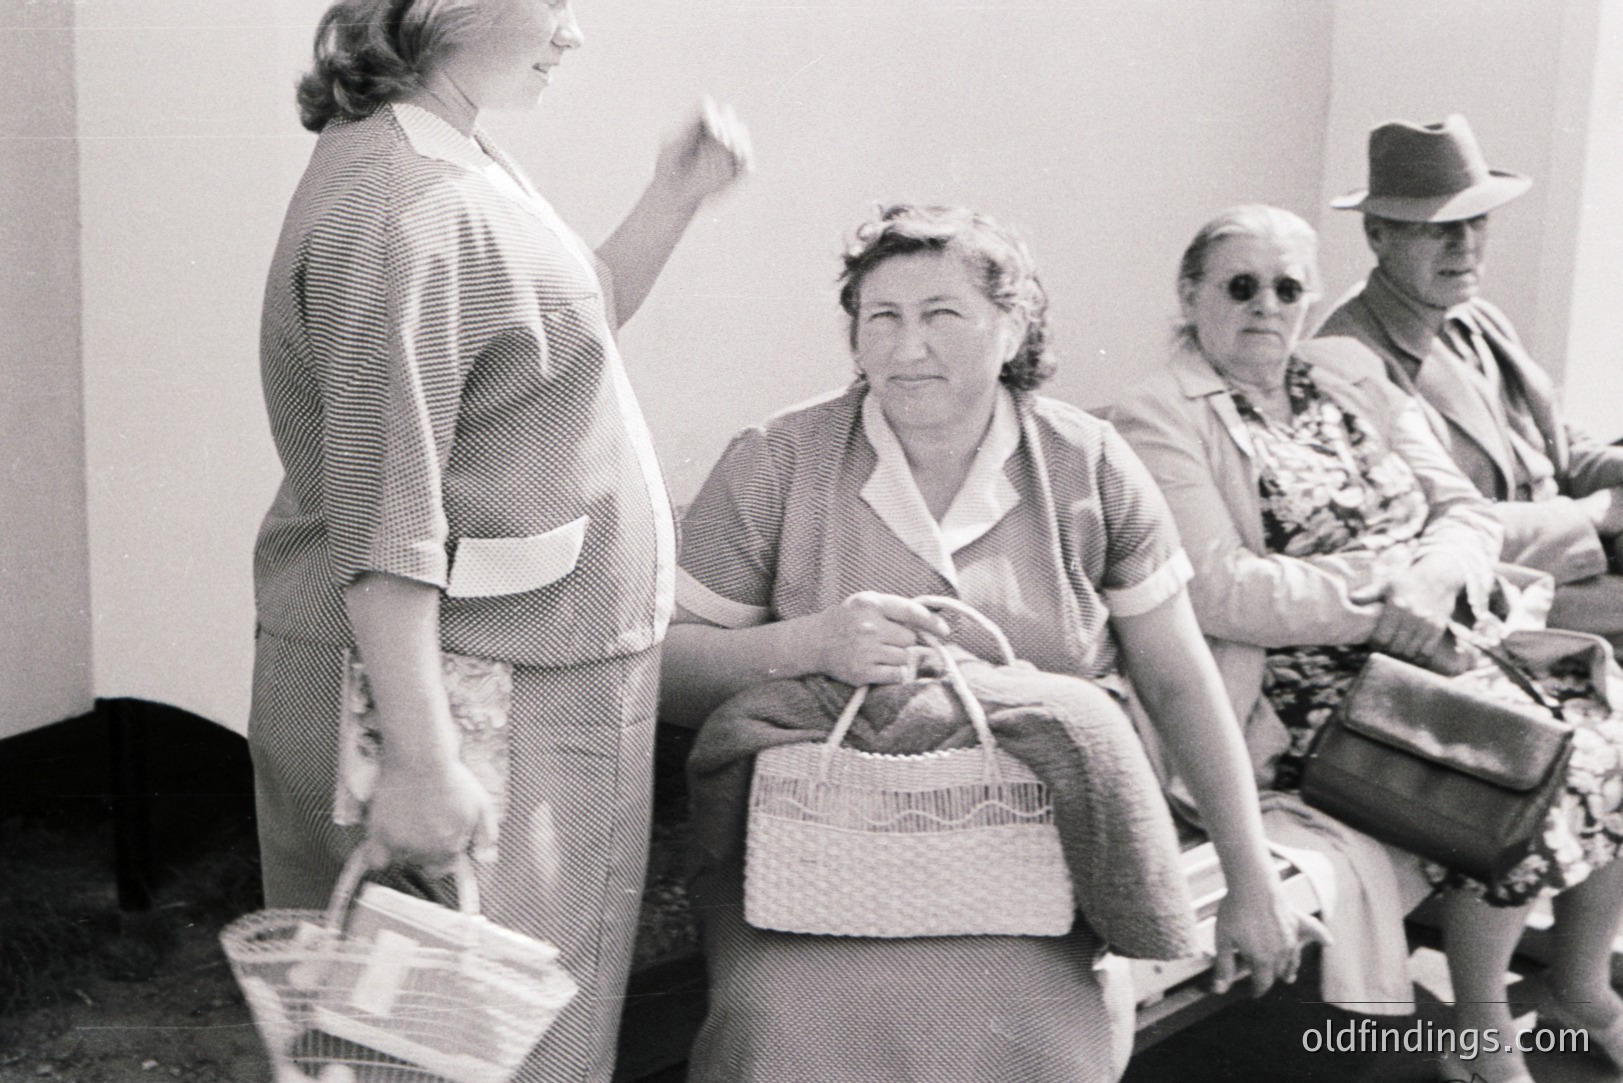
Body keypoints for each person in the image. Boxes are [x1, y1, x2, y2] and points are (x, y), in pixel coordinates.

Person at [662, 204, 1322, 1083]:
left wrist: (1249, 879)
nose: (906, 348)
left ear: (1012, 328)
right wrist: (814, 643)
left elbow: (1176, 682)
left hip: (1030, 870)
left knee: (1043, 1040)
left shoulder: (1086, 463)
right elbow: (664, 669)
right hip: (811, 862)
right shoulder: (779, 458)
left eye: (942, 315)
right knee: (775, 1025)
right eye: (880, 318)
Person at [248, 2, 750, 1080]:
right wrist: (423, 765)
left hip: (518, 679)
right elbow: (387, 515)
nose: (576, 34)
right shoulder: (402, 205)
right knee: (461, 1047)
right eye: (556, 4)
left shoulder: (445, 154)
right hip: (470, 694)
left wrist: (674, 197)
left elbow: (569, 319)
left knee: (458, 1035)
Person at [1110, 204, 1623, 1083]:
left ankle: (1578, 985)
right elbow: (1221, 587)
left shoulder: (1347, 370)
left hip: (1448, 638)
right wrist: (1385, 597)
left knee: (1613, 723)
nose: (1265, 306)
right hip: (1311, 690)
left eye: (1287, 287)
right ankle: (1483, 1023)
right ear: (1189, 293)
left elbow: (1462, 509)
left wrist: (1432, 583)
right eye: (1239, 286)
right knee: (1543, 764)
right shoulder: (1157, 417)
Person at [1316, 114, 1623, 649]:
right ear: (1376, 234)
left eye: (1476, 221)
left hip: (1572, 564)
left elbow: (1555, 445)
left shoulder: (1475, 316)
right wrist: (1599, 512)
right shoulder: (1349, 359)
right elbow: (1433, 530)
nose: (1465, 245)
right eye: (1438, 227)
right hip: (1496, 596)